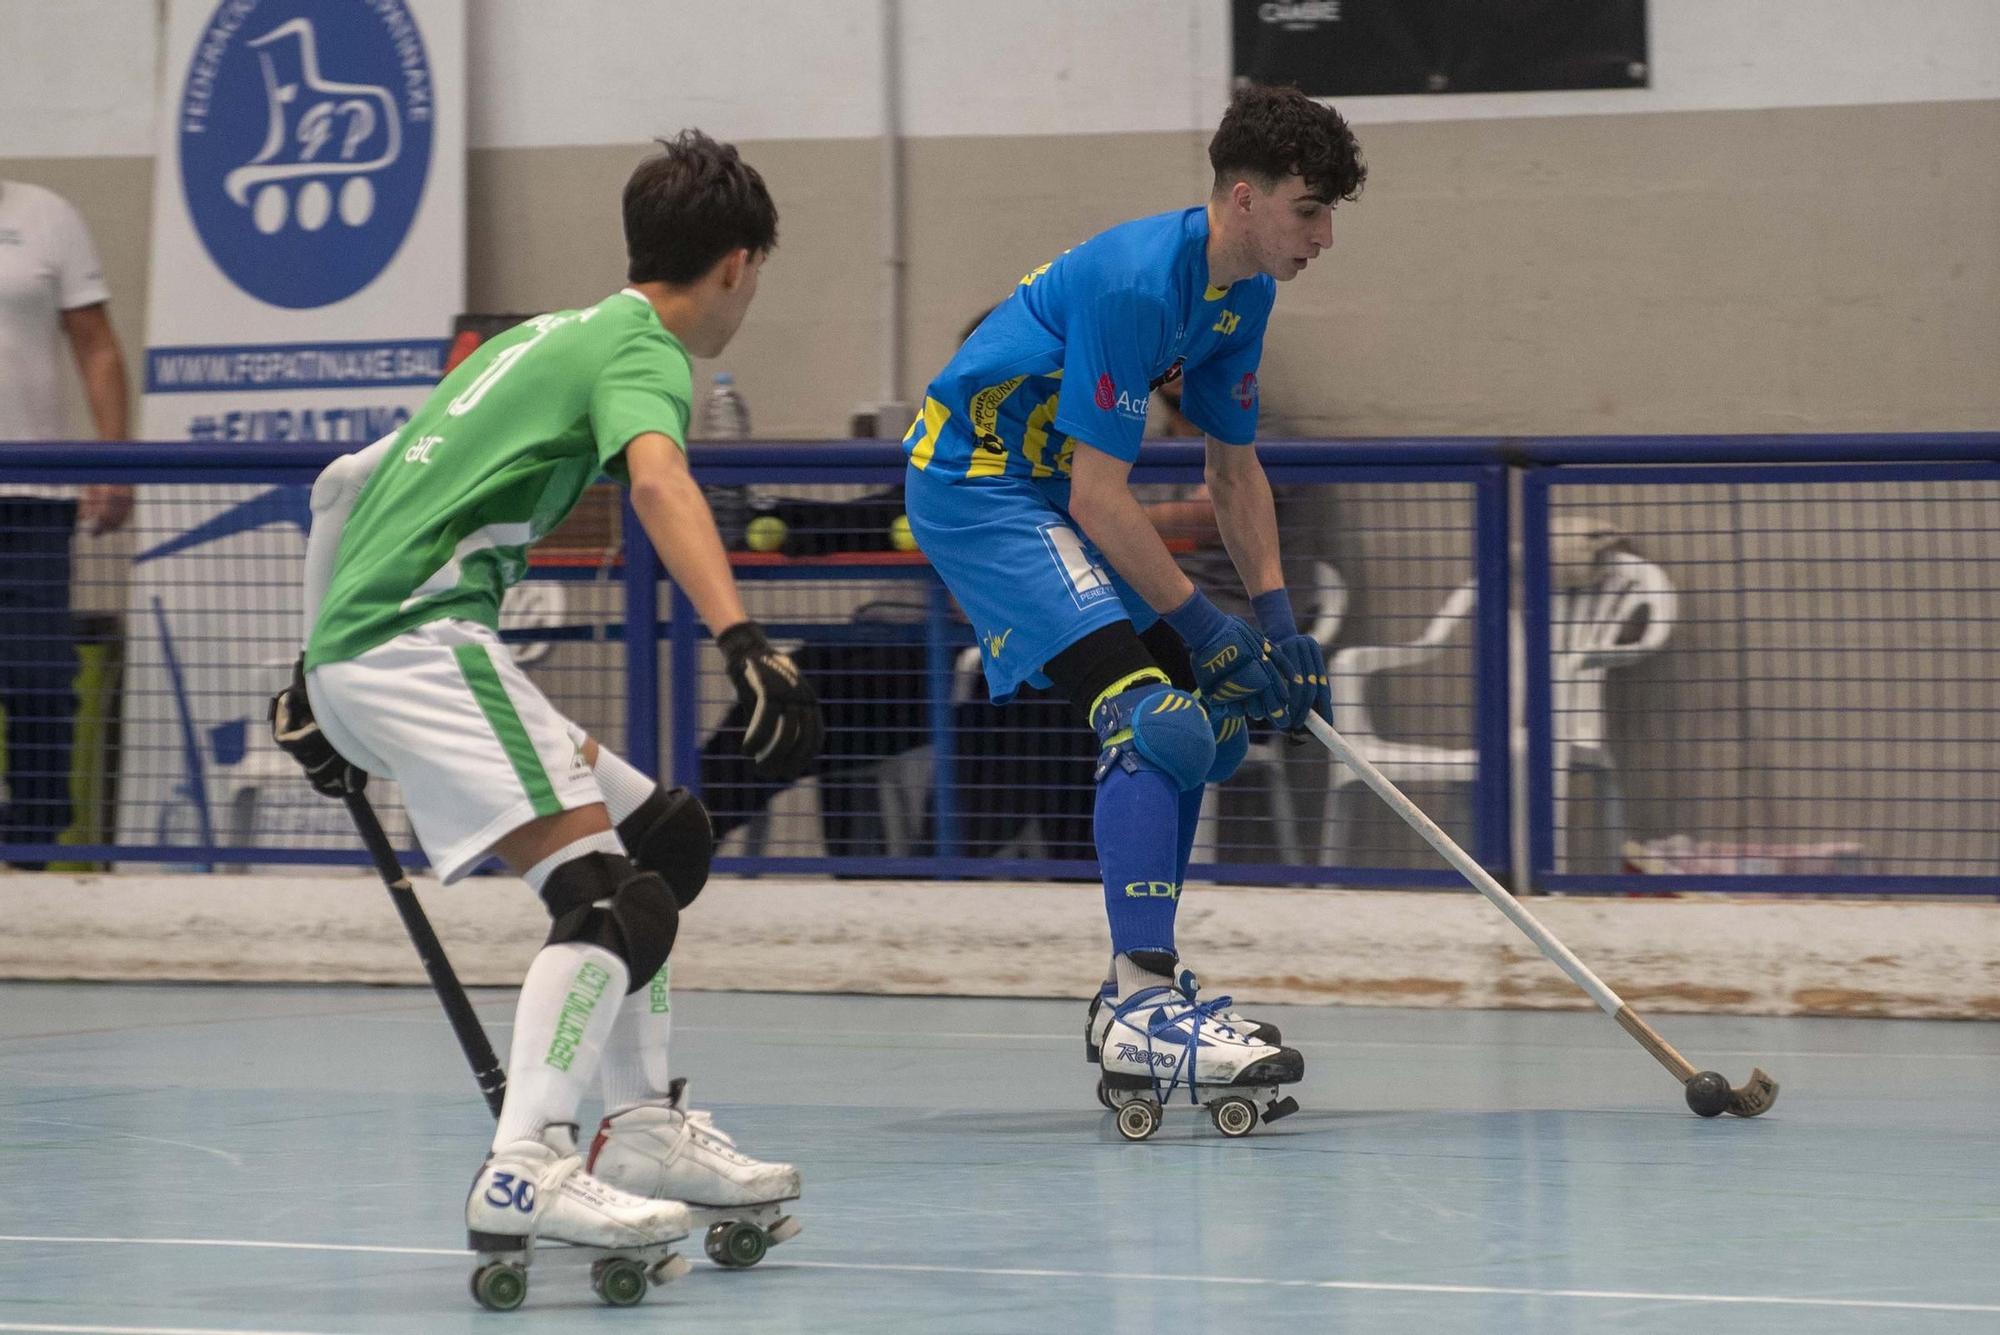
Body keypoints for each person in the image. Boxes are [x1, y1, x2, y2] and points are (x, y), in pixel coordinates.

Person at [269, 131, 822, 1291]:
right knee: (601, 896)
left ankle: (640, 1127)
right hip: (421, 644)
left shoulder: (527, 341)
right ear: (736, 265)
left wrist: (311, 676)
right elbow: (662, 479)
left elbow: (343, 485)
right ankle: (528, 1159)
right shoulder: (646, 350)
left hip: (368, 649)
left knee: (662, 840)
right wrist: (746, 639)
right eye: (759, 274)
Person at [900, 85, 1365, 1124]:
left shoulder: (1242, 296)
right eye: (1308, 209)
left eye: (1333, 212)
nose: (1324, 235)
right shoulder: (1132, 284)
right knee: (1153, 716)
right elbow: (1097, 498)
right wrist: (1206, 628)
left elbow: (1232, 471)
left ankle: (1137, 994)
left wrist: (1277, 626)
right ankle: (1145, 1009)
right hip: (976, 485)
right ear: (1243, 200)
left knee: (1205, 728)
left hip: (1049, 489)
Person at [0, 180, 132, 867]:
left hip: (30, 498)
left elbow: (97, 346)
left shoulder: (47, 216)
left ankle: (29, 847)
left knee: (39, 679)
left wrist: (111, 457)